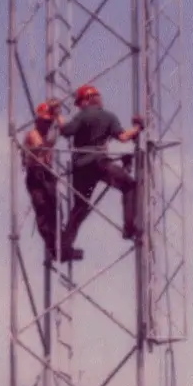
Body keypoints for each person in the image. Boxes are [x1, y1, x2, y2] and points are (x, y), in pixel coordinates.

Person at [58, 84, 143, 260]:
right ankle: (129, 227)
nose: (79, 106)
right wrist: (137, 128)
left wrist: (57, 116)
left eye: (79, 102)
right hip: (100, 163)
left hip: (81, 167)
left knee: (80, 207)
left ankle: (64, 247)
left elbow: (66, 131)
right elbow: (123, 137)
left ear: (86, 100)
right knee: (129, 185)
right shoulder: (109, 117)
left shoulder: (82, 116)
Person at [23, 99, 64, 260]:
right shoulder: (33, 134)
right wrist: (56, 119)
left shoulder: (48, 134)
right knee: (42, 207)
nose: (47, 124)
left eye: (49, 122)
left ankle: (58, 243)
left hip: (47, 173)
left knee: (53, 207)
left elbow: (63, 129)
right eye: (45, 121)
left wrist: (58, 115)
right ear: (38, 120)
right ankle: (52, 245)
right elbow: (41, 145)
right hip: (36, 173)